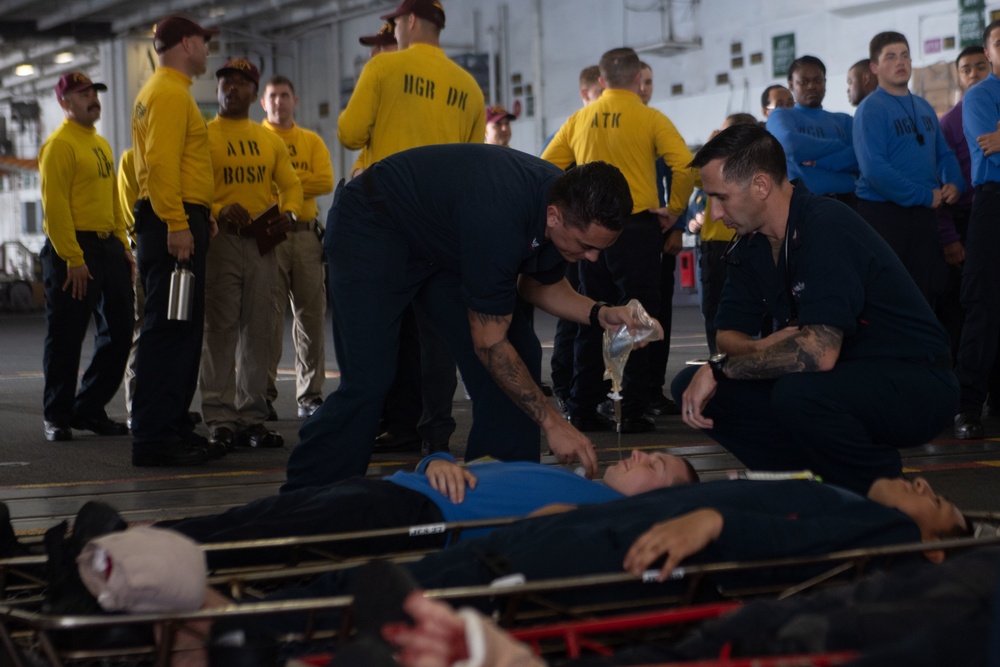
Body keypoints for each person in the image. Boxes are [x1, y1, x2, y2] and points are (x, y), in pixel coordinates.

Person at [283, 145, 637, 492]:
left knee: (520, 353)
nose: (592, 258)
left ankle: (499, 487)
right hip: (373, 224)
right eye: (586, 245)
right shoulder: (502, 217)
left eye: (600, 249)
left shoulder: (563, 202)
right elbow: (487, 343)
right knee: (370, 379)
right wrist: (553, 423)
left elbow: (539, 286)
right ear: (553, 216)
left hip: (440, 243)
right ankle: (310, 493)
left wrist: (600, 312)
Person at [263, 474, 969, 633]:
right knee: (401, 584)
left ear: (933, 548)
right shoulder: (848, 503)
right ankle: (253, 617)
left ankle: (255, 627)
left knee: (410, 597)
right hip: (578, 535)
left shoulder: (885, 532)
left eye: (935, 499)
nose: (923, 483)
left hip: (593, 560)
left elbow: (799, 544)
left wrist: (713, 519)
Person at [670, 124, 958, 495]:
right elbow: (727, 336)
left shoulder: (825, 225)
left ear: (760, 186)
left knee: (798, 394)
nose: (712, 213)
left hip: (915, 379)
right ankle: (808, 486)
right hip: (844, 376)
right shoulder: (751, 244)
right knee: (692, 387)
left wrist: (724, 366)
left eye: (720, 197)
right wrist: (760, 350)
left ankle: (884, 494)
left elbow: (818, 354)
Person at [341, 0, 484, 458]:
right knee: (436, 336)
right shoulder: (469, 87)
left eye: (396, 21)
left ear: (411, 21)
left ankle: (367, 430)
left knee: (376, 329)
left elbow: (348, 131)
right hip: (443, 228)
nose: (394, 29)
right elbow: (474, 161)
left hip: (389, 221)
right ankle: (435, 435)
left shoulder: (384, 68)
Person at [542, 47, 695, 433]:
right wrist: (674, 209)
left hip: (586, 229)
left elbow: (545, 167)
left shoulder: (579, 118)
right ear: (637, 79)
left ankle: (583, 407)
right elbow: (684, 164)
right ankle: (632, 409)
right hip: (637, 229)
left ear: (601, 80)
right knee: (638, 318)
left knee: (590, 316)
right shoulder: (649, 117)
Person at [130, 15, 219, 467]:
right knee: (168, 331)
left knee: (180, 328)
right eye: (204, 42)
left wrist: (201, 215)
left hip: (178, 217)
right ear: (186, 43)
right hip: (171, 221)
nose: (207, 50)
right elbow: (162, 166)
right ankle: (153, 437)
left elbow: (174, 165)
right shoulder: (168, 94)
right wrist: (179, 222)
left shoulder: (164, 92)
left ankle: (172, 424)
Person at [201, 58, 303, 451]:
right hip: (222, 241)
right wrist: (216, 210)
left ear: (252, 93)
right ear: (217, 91)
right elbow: (190, 189)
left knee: (259, 331)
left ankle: (252, 418)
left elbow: (291, 185)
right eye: (225, 82)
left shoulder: (268, 140)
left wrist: (289, 213)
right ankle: (220, 418)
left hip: (262, 245)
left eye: (241, 83)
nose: (232, 88)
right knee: (220, 331)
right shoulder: (204, 137)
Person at [38, 72, 133, 443]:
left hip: (107, 246)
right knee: (66, 335)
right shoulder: (60, 145)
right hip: (72, 249)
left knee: (121, 330)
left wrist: (123, 244)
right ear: (65, 103)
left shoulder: (101, 144)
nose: (93, 98)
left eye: (94, 92)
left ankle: (88, 407)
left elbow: (113, 201)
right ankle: (57, 415)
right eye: (83, 93)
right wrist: (73, 258)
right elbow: (56, 208)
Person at [853, 31, 964, 306]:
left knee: (928, 291)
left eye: (905, 55)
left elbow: (944, 155)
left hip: (923, 215)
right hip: (885, 215)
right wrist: (925, 195)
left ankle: (930, 351)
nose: (900, 62)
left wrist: (954, 182)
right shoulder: (870, 109)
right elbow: (875, 172)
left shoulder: (923, 106)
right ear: (875, 67)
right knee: (894, 297)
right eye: (890, 57)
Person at [260, 75, 335, 421]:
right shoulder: (256, 139)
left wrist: (284, 180)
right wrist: (289, 183)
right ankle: (263, 394)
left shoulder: (311, 141)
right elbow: (254, 185)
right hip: (268, 236)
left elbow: (326, 180)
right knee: (268, 319)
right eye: (273, 96)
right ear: (263, 103)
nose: (279, 102)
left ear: (295, 100)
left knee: (311, 317)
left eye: (285, 95)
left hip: (305, 236)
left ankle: (310, 394)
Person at [954, 20, 1000, 440]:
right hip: (993, 201)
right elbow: (989, 147)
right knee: (983, 303)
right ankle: (968, 404)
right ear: (989, 55)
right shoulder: (980, 95)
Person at [549, 64, 605, 411]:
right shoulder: (571, 131)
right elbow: (545, 168)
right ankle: (564, 384)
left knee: (593, 313)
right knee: (569, 311)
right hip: (568, 236)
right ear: (587, 93)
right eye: (602, 97)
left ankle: (584, 389)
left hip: (590, 235)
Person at [688, 112, 759, 355]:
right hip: (717, 246)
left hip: (749, 239)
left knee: (752, 305)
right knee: (715, 309)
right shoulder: (711, 165)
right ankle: (717, 361)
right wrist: (710, 149)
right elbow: (688, 175)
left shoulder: (756, 165)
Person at [936, 46, 989, 361]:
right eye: (966, 69)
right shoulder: (949, 122)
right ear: (959, 76)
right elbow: (941, 182)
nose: (973, 74)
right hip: (966, 218)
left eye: (980, 66)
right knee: (972, 303)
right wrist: (948, 236)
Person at [766, 55, 858, 207]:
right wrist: (839, 146)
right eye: (803, 81)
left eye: (817, 80)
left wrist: (819, 162)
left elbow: (860, 156)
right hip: (806, 205)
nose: (811, 86)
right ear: (791, 85)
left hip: (850, 202)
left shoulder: (844, 120)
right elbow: (789, 145)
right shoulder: (781, 116)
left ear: (825, 83)